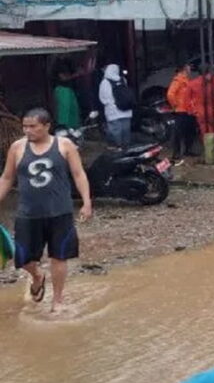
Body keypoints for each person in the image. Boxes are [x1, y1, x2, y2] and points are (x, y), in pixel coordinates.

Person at [0, 108, 92, 312]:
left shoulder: (64, 145)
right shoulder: (17, 148)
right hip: (28, 213)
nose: (27, 131)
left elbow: (78, 174)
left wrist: (86, 202)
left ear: (46, 126)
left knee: (59, 256)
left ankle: (57, 300)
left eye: (33, 126)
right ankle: (37, 276)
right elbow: (7, 178)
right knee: (22, 258)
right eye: (25, 126)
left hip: (60, 212)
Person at [98, 64, 133, 147]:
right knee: (126, 129)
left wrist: (110, 103)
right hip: (126, 109)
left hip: (112, 111)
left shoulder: (105, 82)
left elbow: (103, 98)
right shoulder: (123, 80)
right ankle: (126, 146)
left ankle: (117, 146)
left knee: (115, 130)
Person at [166, 63, 196, 160]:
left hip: (188, 110)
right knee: (178, 133)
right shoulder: (178, 80)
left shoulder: (185, 79)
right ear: (184, 68)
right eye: (188, 67)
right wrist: (175, 105)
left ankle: (188, 150)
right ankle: (176, 153)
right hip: (181, 110)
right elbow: (170, 94)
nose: (190, 69)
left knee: (190, 131)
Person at [53, 63, 82, 131]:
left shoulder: (67, 62)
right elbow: (63, 78)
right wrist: (76, 74)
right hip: (63, 89)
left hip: (69, 89)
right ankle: (63, 128)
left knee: (73, 110)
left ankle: (72, 128)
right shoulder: (59, 65)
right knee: (64, 110)